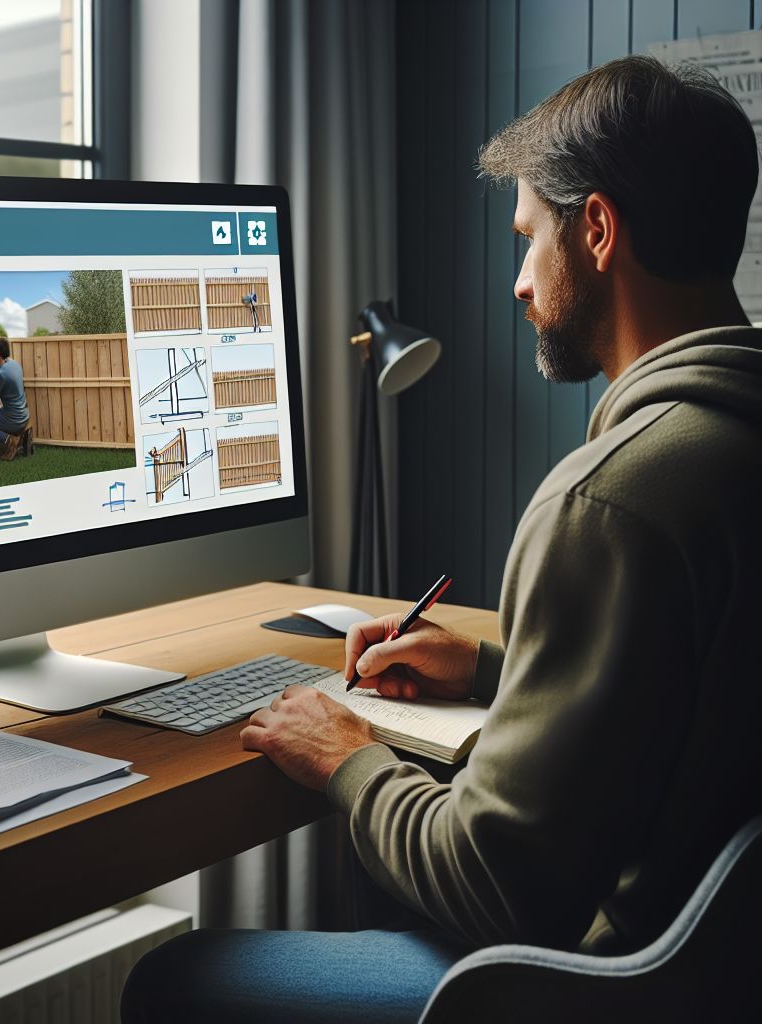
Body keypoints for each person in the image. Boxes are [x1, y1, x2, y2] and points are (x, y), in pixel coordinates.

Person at [121, 55, 762, 1022]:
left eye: (527, 239)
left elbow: (498, 887)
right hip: (728, 968)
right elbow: (705, 694)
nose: (516, 284)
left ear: (595, 230)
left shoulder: (611, 504)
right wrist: (499, 669)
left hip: (607, 987)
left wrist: (345, 755)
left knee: (173, 983)